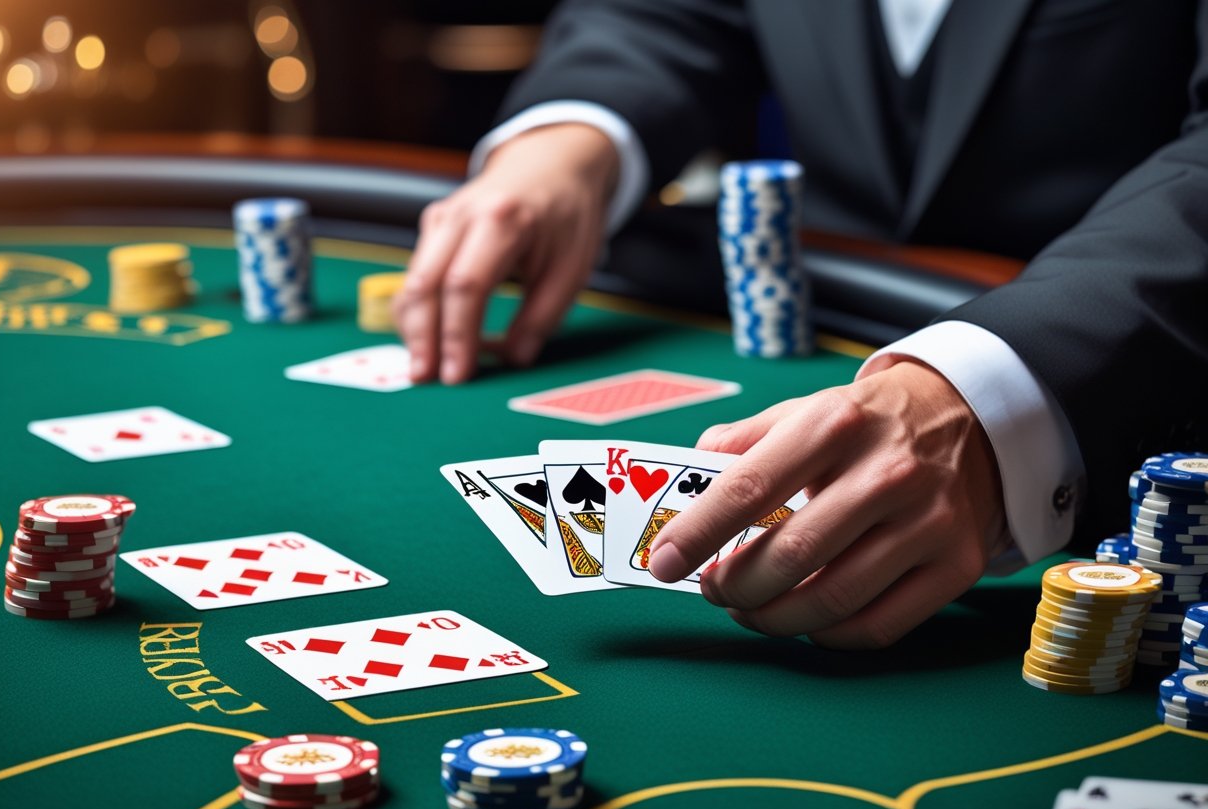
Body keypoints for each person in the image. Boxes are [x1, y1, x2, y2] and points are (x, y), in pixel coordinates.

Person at [393, 0, 1208, 647]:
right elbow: (666, 15)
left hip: (1137, 380)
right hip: (827, 303)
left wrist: (993, 388)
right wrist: (572, 138)